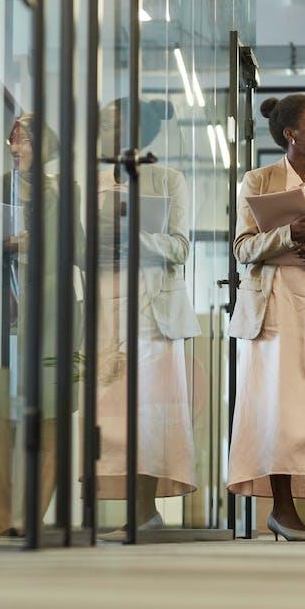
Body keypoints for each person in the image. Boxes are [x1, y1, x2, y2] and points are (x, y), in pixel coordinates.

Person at [228, 94, 305, 542]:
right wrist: (287, 235)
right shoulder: (259, 180)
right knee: (278, 410)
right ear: (290, 133)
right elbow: (243, 247)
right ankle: (282, 510)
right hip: (278, 302)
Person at [88, 98, 200, 536]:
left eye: (112, 125)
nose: (105, 133)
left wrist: (133, 236)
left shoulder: (169, 180)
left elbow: (180, 248)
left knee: (149, 413)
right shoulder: (93, 183)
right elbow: (79, 248)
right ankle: (134, 515)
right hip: (105, 307)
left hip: (154, 312)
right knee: (111, 413)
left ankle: (145, 511)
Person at [0, 114, 82, 537]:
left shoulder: (66, 190)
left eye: (28, 140)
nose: (18, 146)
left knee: (53, 414)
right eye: (14, 139)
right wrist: (7, 244)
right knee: (2, 415)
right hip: (5, 303)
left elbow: (76, 247)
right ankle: (4, 517)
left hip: (54, 305)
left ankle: (34, 516)